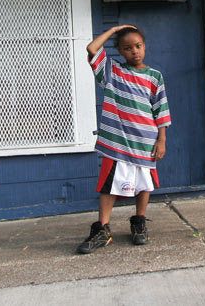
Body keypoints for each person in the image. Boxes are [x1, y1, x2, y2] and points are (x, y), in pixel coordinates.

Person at [76, 25, 171, 254]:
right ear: (120, 51)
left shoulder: (154, 76)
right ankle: (103, 229)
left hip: (146, 142)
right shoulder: (113, 72)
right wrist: (114, 29)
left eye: (138, 46)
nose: (134, 52)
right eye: (127, 48)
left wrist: (161, 140)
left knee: (144, 185)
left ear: (144, 47)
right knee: (109, 186)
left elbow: (161, 110)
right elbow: (91, 48)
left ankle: (139, 222)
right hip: (116, 141)